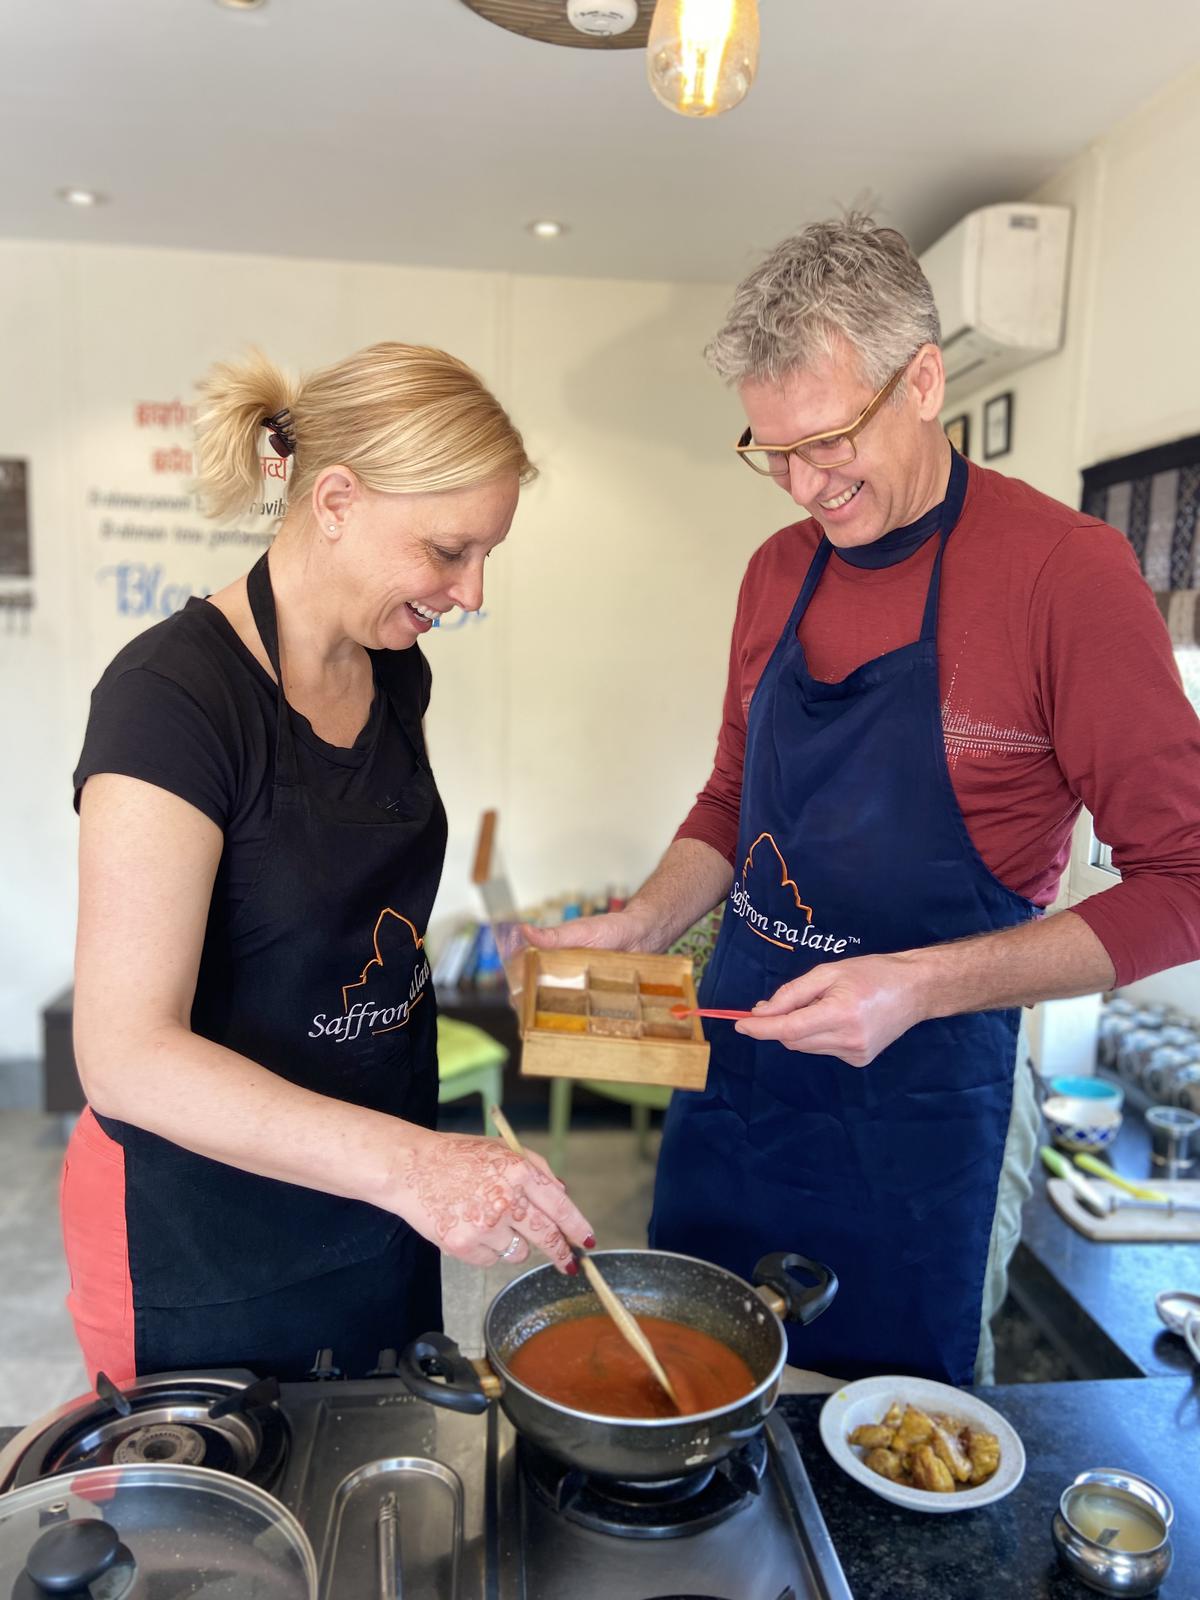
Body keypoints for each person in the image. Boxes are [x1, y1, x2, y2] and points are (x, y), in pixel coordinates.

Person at [528, 215, 1200, 1386]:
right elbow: (736, 796)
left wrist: (922, 984)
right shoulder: (778, 573)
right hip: (740, 1085)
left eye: (829, 437)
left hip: (923, 1122)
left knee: (892, 1446)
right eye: (771, 448)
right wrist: (642, 921)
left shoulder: (1065, 576)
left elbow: (1185, 884)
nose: (801, 482)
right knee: (694, 1390)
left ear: (925, 380)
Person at [66, 342, 592, 1385]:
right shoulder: (171, 702)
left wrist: (414, 1171)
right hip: (209, 1237)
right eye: (449, 549)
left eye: (485, 553)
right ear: (338, 499)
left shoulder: (398, 673)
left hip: (377, 1208)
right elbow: (124, 1053)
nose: (473, 590)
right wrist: (416, 1164)